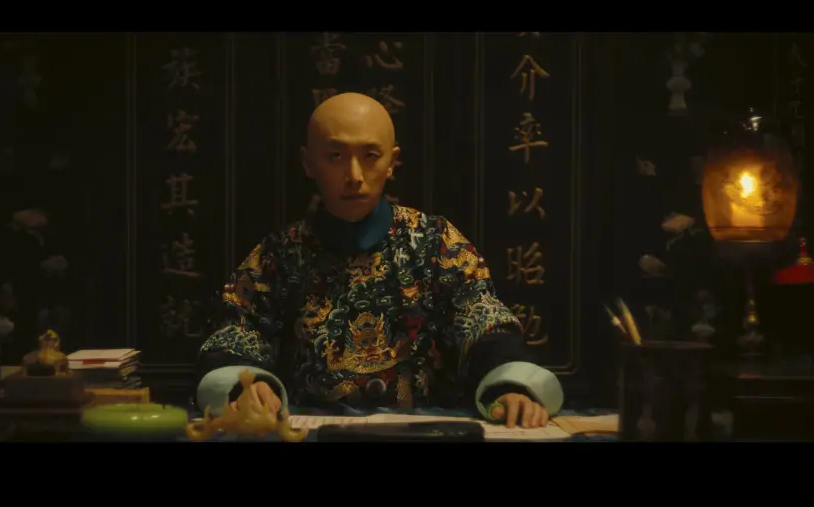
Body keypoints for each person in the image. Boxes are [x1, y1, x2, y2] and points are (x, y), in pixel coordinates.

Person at [194, 92, 563, 429]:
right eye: (335, 156)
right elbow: (237, 332)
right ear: (308, 162)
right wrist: (246, 387)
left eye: (370, 156)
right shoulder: (280, 253)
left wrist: (510, 386)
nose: (354, 176)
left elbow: (482, 321)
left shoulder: (434, 242)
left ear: (392, 162)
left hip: (423, 432)